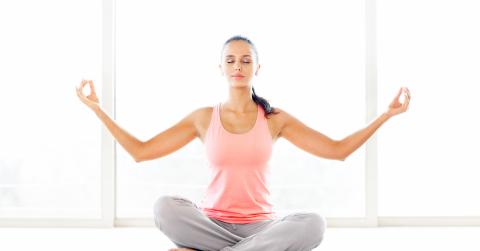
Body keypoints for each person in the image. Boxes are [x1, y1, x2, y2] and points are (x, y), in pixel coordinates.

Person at [76, 35, 411, 251]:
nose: (238, 65)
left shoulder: (275, 118)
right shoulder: (203, 117)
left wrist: (386, 115)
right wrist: (97, 109)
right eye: (231, 60)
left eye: (246, 60)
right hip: (211, 223)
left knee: (314, 224)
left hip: (263, 226)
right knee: (165, 207)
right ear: (220, 67)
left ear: (257, 68)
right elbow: (141, 151)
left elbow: (338, 150)